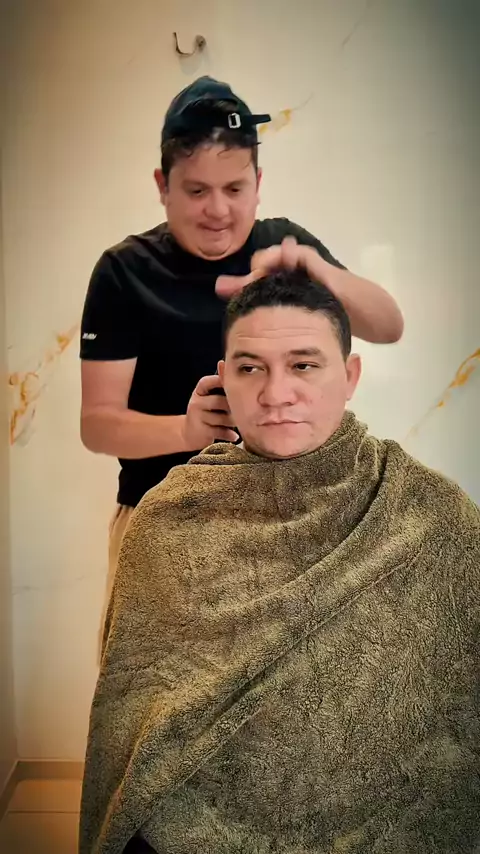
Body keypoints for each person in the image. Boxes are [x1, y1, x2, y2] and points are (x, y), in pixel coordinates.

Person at [80, 270, 479, 854]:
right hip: (197, 818)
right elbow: (133, 718)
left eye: (304, 365)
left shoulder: (431, 513)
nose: (275, 393)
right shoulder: (168, 520)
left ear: (351, 376)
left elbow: (460, 712)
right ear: (224, 378)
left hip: (394, 814)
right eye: (250, 369)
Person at [79, 75, 404, 609]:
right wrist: (186, 431)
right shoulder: (124, 272)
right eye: (197, 191)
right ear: (162, 185)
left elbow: (388, 325)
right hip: (162, 521)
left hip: (286, 517)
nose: (218, 211)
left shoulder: (282, 244)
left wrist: (318, 269)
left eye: (234, 189)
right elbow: (97, 424)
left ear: (258, 182)